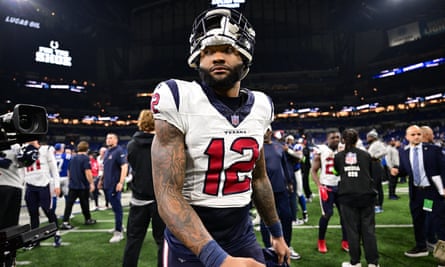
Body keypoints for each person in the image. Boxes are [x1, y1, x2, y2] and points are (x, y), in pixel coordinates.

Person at [150, 7, 290, 266]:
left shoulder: (262, 106)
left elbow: (259, 179)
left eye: (227, 50)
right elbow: (167, 194)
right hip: (188, 240)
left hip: (241, 232)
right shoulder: (178, 97)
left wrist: (277, 234)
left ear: (245, 57)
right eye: (208, 51)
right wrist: (219, 260)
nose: (216, 57)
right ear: (197, 59)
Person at [392, 125, 445, 259]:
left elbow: (443, 168)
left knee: (437, 221)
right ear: (407, 137)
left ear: (422, 135)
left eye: (418, 134)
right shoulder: (403, 151)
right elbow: (405, 170)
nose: (416, 137)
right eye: (413, 134)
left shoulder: (433, 150)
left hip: (431, 193)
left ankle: (443, 255)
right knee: (418, 220)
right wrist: (397, 171)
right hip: (416, 194)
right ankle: (421, 247)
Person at [123, 109, 166, 267]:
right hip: (160, 200)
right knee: (162, 242)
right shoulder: (163, 144)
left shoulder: (132, 145)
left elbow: (134, 166)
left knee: (133, 240)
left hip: (139, 199)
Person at [334, 129, 379, 267]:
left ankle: (355, 262)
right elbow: (371, 174)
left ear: (343, 140)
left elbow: (337, 172)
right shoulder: (366, 155)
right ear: (357, 139)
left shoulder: (339, 156)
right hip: (366, 196)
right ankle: (373, 263)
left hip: (348, 197)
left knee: (352, 231)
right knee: (369, 230)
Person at [262, 130, 300, 260]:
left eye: (267, 130)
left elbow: (285, 165)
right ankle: (270, 248)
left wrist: (289, 182)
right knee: (266, 220)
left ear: (270, 132)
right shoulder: (258, 147)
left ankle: (287, 246)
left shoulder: (279, 146)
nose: (265, 133)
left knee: (287, 218)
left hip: (281, 190)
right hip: (266, 191)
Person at [0, 143, 38, 266]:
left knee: (10, 228)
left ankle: (9, 258)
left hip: (11, 187)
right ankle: (9, 259)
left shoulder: (16, 145)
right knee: (9, 227)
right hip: (12, 187)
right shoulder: (16, 145)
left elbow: (26, 161)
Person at [311, 131, 349, 253]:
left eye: (338, 137)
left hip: (341, 187)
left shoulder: (344, 150)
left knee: (344, 215)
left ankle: (346, 240)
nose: (336, 139)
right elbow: (313, 170)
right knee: (327, 215)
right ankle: (321, 240)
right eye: (333, 137)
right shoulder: (321, 150)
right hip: (327, 187)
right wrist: (319, 186)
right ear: (327, 139)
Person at [23, 139, 62, 248]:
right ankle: (35, 239)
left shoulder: (46, 149)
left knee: (48, 211)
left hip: (44, 184)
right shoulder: (23, 150)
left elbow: (54, 169)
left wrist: (57, 185)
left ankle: (56, 233)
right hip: (30, 185)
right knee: (33, 213)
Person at [60, 141, 96, 229]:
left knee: (69, 204)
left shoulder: (72, 158)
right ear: (87, 149)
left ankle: (65, 221)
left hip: (73, 184)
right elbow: (87, 172)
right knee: (85, 204)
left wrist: (71, 180)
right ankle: (88, 219)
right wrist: (91, 183)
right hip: (82, 185)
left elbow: (68, 171)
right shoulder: (85, 158)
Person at [99, 133, 128, 243]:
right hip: (107, 184)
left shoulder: (119, 151)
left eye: (111, 138)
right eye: (107, 138)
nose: (108, 140)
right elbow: (106, 168)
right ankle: (119, 226)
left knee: (117, 208)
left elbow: (124, 166)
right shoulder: (107, 151)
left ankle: (118, 232)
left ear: (116, 140)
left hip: (114, 184)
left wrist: (121, 182)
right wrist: (101, 180)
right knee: (114, 208)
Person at [366, 129, 387, 213]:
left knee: (375, 186)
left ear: (372, 137)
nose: (367, 139)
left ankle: (377, 205)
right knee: (375, 186)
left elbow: (385, 152)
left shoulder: (377, 143)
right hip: (373, 165)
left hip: (375, 165)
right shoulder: (374, 144)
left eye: (368, 137)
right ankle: (377, 205)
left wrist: (375, 157)